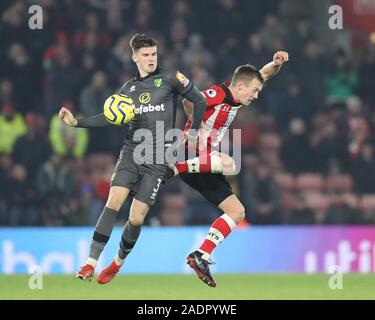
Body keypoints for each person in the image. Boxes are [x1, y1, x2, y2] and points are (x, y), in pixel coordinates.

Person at [58, 34, 206, 283]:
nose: (151, 59)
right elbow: (108, 117)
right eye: (146, 55)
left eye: (154, 54)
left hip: (158, 158)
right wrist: (76, 122)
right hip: (132, 152)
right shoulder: (128, 89)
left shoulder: (170, 78)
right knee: (113, 200)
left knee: (136, 217)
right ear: (134, 57)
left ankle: (117, 262)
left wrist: (194, 130)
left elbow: (199, 99)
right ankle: (90, 263)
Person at [169, 51, 289, 287]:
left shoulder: (239, 96)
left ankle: (200, 255)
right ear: (241, 86)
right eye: (254, 91)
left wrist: (276, 64)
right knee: (231, 163)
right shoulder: (218, 94)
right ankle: (173, 169)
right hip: (190, 148)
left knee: (237, 212)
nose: (256, 96)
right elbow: (188, 100)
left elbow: (263, 74)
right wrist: (200, 126)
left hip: (204, 161)